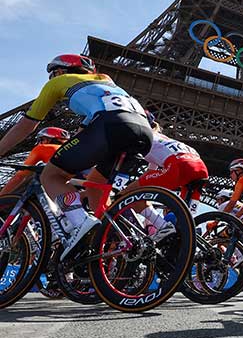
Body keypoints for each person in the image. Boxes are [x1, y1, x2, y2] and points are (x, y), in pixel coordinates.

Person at [0, 54, 152, 259]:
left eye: (52, 74)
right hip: (144, 130)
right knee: (94, 185)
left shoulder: (59, 83)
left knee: (51, 176)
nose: (51, 79)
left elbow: (27, 125)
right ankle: (114, 238)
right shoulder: (107, 82)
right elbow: (82, 134)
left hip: (111, 124)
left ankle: (82, 223)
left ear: (61, 71)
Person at [0, 127, 70, 196]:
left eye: (41, 139)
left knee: (31, 175)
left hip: (56, 184)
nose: (40, 143)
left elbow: (20, 176)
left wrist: (2, 197)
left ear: (48, 139)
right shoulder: (71, 150)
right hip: (74, 182)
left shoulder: (42, 148)